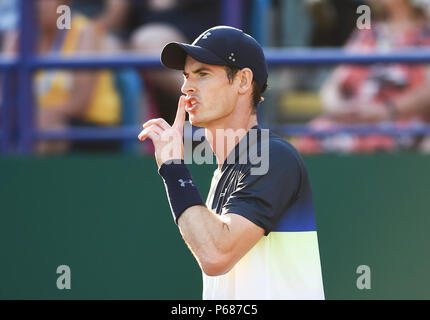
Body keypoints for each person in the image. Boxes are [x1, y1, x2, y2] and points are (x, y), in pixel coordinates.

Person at [138, 26, 325, 299]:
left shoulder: (273, 155)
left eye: (203, 74)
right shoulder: (225, 173)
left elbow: (216, 255)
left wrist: (173, 168)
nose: (186, 87)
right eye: (186, 76)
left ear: (243, 81)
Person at [295, 0, 430, 154]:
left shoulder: (425, 33)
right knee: (311, 137)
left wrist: (385, 111)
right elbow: (333, 85)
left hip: (400, 124)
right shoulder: (366, 32)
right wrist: (340, 109)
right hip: (354, 120)